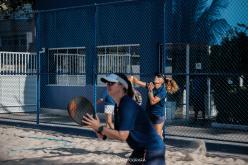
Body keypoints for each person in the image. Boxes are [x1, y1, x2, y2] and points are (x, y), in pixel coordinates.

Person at [82, 73, 165, 165]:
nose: (108, 85)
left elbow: (122, 136)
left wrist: (100, 128)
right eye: (107, 83)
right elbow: (115, 133)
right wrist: (98, 130)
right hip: (140, 149)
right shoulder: (118, 107)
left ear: (122, 86)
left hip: (152, 149)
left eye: (111, 83)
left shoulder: (127, 104)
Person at [129, 74, 179, 138]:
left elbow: (152, 102)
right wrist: (132, 78)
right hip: (149, 114)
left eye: (159, 76)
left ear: (162, 81)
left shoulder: (163, 91)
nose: (156, 77)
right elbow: (137, 82)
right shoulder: (151, 84)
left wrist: (150, 90)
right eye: (156, 75)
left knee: (157, 136)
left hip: (158, 116)